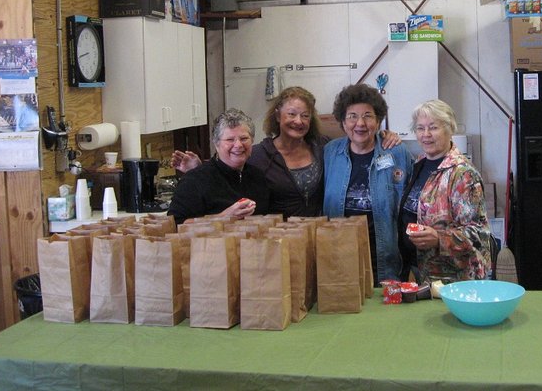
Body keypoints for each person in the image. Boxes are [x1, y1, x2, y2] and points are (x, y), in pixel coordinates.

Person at [171, 87, 402, 218]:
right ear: (278, 115)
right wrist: (198, 171)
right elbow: (225, 174)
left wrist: (383, 136)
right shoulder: (260, 155)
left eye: (304, 115)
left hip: (323, 237)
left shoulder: (325, 149)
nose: (298, 121)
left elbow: (358, 142)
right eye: (291, 114)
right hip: (278, 243)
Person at [323, 83, 413, 285]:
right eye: (352, 116)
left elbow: (414, 202)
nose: (360, 123)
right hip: (340, 253)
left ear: (379, 121)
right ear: (343, 122)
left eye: (368, 116)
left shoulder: (397, 152)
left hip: (385, 254)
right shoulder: (330, 153)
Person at [402, 99, 491, 282]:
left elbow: (479, 234)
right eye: (420, 128)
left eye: (433, 127)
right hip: (423, 274)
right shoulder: (419, 164)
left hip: (455, 279)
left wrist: (439, 238)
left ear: (450, 129)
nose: (426, 134)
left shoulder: (463, 174)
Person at [167, 109, 268, 224]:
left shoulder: (258, 177)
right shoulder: (194, 180)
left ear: (252, 141)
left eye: (244, 139)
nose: (238, 145)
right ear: (216, 144)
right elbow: (176, 225)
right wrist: (224, 217)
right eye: (230, 140)